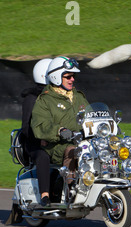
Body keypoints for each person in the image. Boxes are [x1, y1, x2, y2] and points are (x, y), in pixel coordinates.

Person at [31, 56, 88, 186]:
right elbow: (40, 126)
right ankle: (71, 188)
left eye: (73, 76)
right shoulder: (45, 100)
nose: (72, 79)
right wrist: (59, 131)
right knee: (73, 151)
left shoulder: (79, 97)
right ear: (56, 76)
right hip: (57, 145)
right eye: (68, 76)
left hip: (80, 141)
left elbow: (90, 115)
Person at [21, 58, 53, 207]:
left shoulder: (58, 96)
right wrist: (41, 138)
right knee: (43, 156)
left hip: (55, 140)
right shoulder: (32, 98)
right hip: (34, 143)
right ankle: (44, 194)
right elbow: (26, 128)